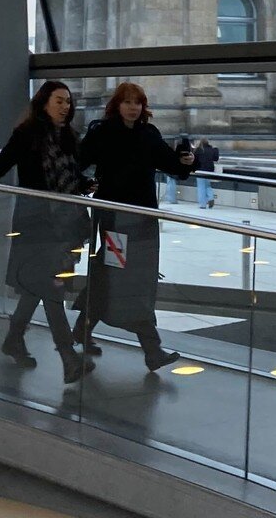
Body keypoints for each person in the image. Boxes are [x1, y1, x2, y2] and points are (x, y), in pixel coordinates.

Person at [0, 81, 97, 385]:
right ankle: (67, 356)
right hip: (37, 223)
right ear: (43, 102)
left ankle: (14, 339)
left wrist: (84, 185)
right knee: (51, 287)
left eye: (68, 102)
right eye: (59, 101)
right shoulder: (28, 134)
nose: (65, 107)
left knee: (38, 287)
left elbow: (71, 175)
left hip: (65, 223)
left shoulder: (70, 137)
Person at [76, 82, 194, 370]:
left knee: (116, 276)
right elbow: (76, 162)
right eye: (127, 102)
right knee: (131, 281)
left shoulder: (148, 134)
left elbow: (174, 167)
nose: (133, 107)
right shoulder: (102, 132)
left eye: (138, 103)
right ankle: (152, 350)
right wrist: (84, 184)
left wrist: (188, 161)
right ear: (116, 105)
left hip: (143, 221)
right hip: (115, 219)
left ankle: (83, 328)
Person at [192, 136, 219, 209]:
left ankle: (202, 204)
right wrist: (216, 149)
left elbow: (194, 160)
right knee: (207, 185)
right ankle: (210, 198)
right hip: (209, 171)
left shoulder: (198, 150)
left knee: (201, 187)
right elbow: (216, 158)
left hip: (200, 170)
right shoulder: (211, 149)